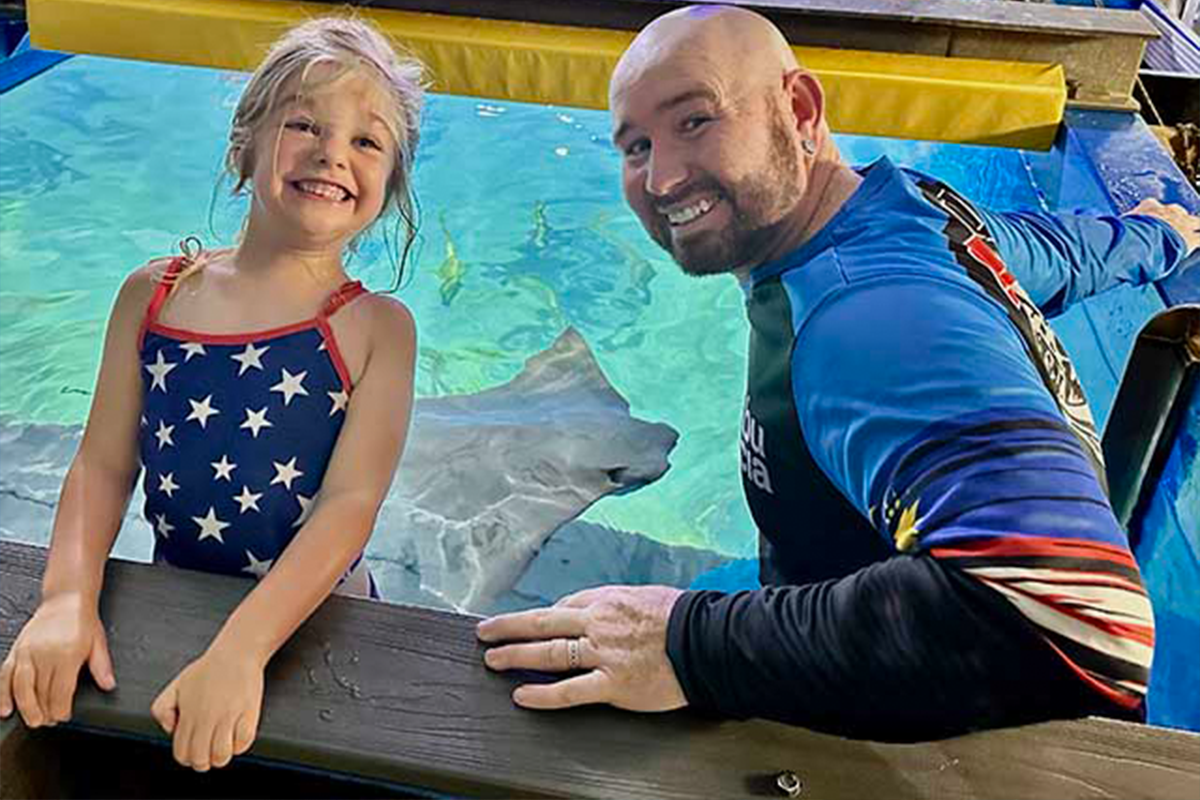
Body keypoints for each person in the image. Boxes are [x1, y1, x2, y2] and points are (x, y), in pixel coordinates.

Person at [476, 5, 1200, 740]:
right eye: (635, 147)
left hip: (962, 751)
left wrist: (688, 645)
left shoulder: (865, 317)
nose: (661, 178)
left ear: (798, 109)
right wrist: (1155, 236)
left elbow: (1078, 623)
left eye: (695, 121)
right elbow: (1056, 255)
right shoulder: (912, 210)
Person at [0, 17, 423, 770]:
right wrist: (66, 599)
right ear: (245, 144)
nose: (332, 153)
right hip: (178, 601)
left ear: (389, 185)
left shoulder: (375, 330)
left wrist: (242, 652)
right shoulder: (153, 296)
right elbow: (102, 467)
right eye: (304, 123)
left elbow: (349, 509)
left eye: (368, 141)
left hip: (321, 628)